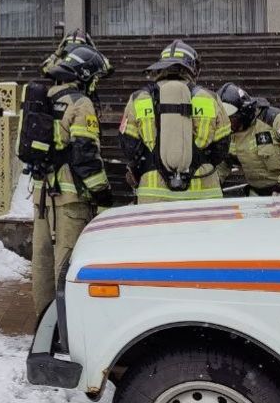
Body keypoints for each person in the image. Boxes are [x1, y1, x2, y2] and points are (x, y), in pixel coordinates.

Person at [26, 45, 113, 317]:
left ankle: (44, 323)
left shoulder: (42, 97)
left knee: (42, 262)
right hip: (70, 197)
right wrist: (102, 193)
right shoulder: (80, 102)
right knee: (67, 263)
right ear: (85, 75)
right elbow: (84, 154)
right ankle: (68, 328)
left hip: (42, 194)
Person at [119, 40, 232, 204]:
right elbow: (222, 146)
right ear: (192, 68)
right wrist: (198, 162)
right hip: (204, 195)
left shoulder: (138, 98)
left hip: (154, 194)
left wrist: (150, 162)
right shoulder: (210, 97)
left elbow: (128, 146)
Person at [218, 83, 280, 196]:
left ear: (243, 113)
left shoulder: (279, 120)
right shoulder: (229, 131)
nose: (226, 125)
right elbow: (223, 162)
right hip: (258, 197)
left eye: (230, 120)